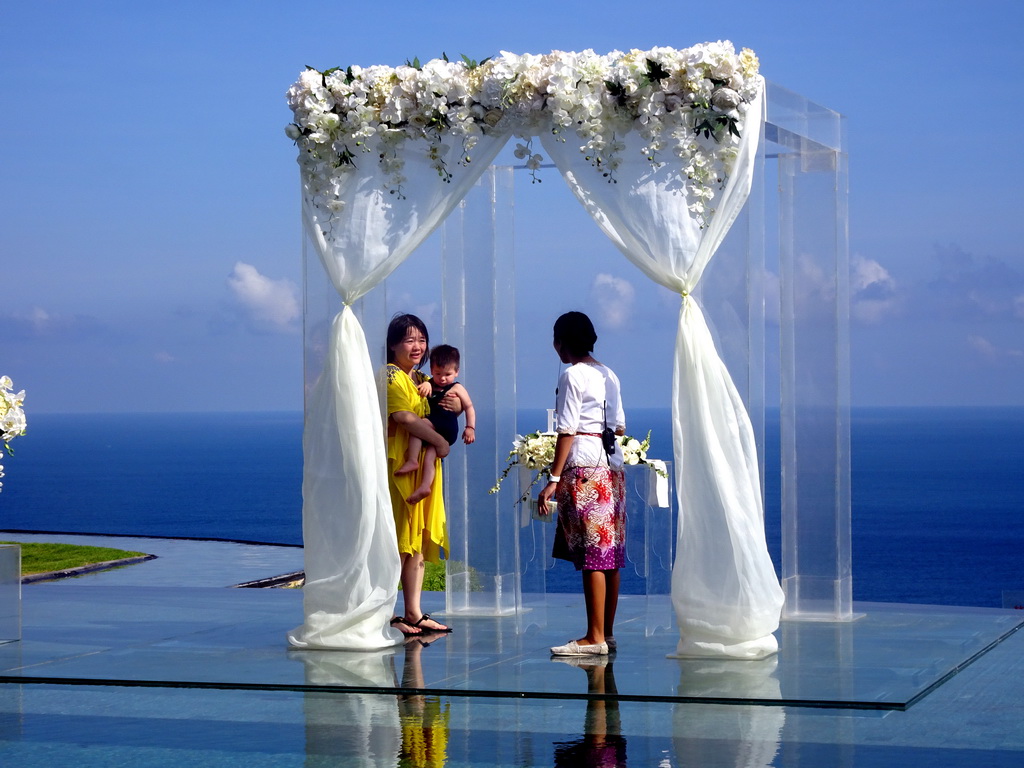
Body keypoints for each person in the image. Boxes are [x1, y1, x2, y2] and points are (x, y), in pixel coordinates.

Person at [538, 311, 626, 656]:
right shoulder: (609, 374)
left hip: (585, 467)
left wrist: (553, 479)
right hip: (611, 467)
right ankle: (607, 631)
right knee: (610, 553)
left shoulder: (572, 375)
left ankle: (594, 636)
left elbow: (566, 428)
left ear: (562, 342)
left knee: (593, 554)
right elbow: (618, 425)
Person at [383, 313, 457, 636]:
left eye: (422, 339)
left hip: (425, 468)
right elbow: (402, 417)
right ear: (392, 345)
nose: (417, 346)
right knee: (397, 540)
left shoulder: (422, 378)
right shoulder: (391, 375)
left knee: (416, 541)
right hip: (399, 467)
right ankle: (386, 613)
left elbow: (449, 403)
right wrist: (441, 442)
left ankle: (413, 611)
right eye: (409, 339)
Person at [395, 344, 477, 503]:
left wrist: (470, 428)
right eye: (438, 373)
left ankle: (412, 460)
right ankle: (425, 486)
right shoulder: (430, 383)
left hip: (446, 424)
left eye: (448, 374)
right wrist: (427, 384)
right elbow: (425, 386)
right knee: (430, 456)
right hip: (438, 428)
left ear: (456, 372)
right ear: (431, 370)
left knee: (418, 427)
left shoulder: (457, 387)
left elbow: (469, 406)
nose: (443, 378)